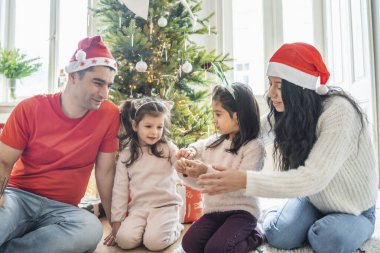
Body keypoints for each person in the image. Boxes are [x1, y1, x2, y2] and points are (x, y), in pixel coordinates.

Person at [191, 42, 378, 253]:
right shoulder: (291, 112)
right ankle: (298, 220)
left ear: (298, 87)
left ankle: (339, 227)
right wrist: (194, 150)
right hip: (313, 199)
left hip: (355, 210)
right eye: (270, 84)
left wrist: (244, 179)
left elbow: (314, 177)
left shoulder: (339, 113)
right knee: (279, 235)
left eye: (278, 86)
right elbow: (245, 131)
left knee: (327, 239)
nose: (271, 93)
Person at [0, 35, 120, 253]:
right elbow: (3, 161)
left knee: (91, 229)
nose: (104, 93)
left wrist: (115, 222)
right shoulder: (30, 109)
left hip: (64, 210)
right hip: (18, 198)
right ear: (73, 75)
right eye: (98, 83)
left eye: (109, 85)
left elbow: (106, 172)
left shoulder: (109, 114)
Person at [175, 83, 265, 253]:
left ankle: (255, 236)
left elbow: (241, 185)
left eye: (218, 114)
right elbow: (197, 149)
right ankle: (224, 233)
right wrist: (186, 163)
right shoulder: (214, 142)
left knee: (216, 249)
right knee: (190, 244)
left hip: (242, 212)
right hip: (214, 211)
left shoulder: (253, 147)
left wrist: (205, 171)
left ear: (237, 116)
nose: (214, 120)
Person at [103, 97, 183, 251]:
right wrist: (117, 222)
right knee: (124, 240)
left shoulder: (168, 148)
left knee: (154, 244)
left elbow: (180, 166)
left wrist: (184, 162)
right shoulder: (126, 155)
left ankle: (175, 227)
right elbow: (119, 190)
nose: (154, 132)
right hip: (139, 208)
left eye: (159, 127)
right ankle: (149, 231)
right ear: (135, 125)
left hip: (166, 206)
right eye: (148, 126)